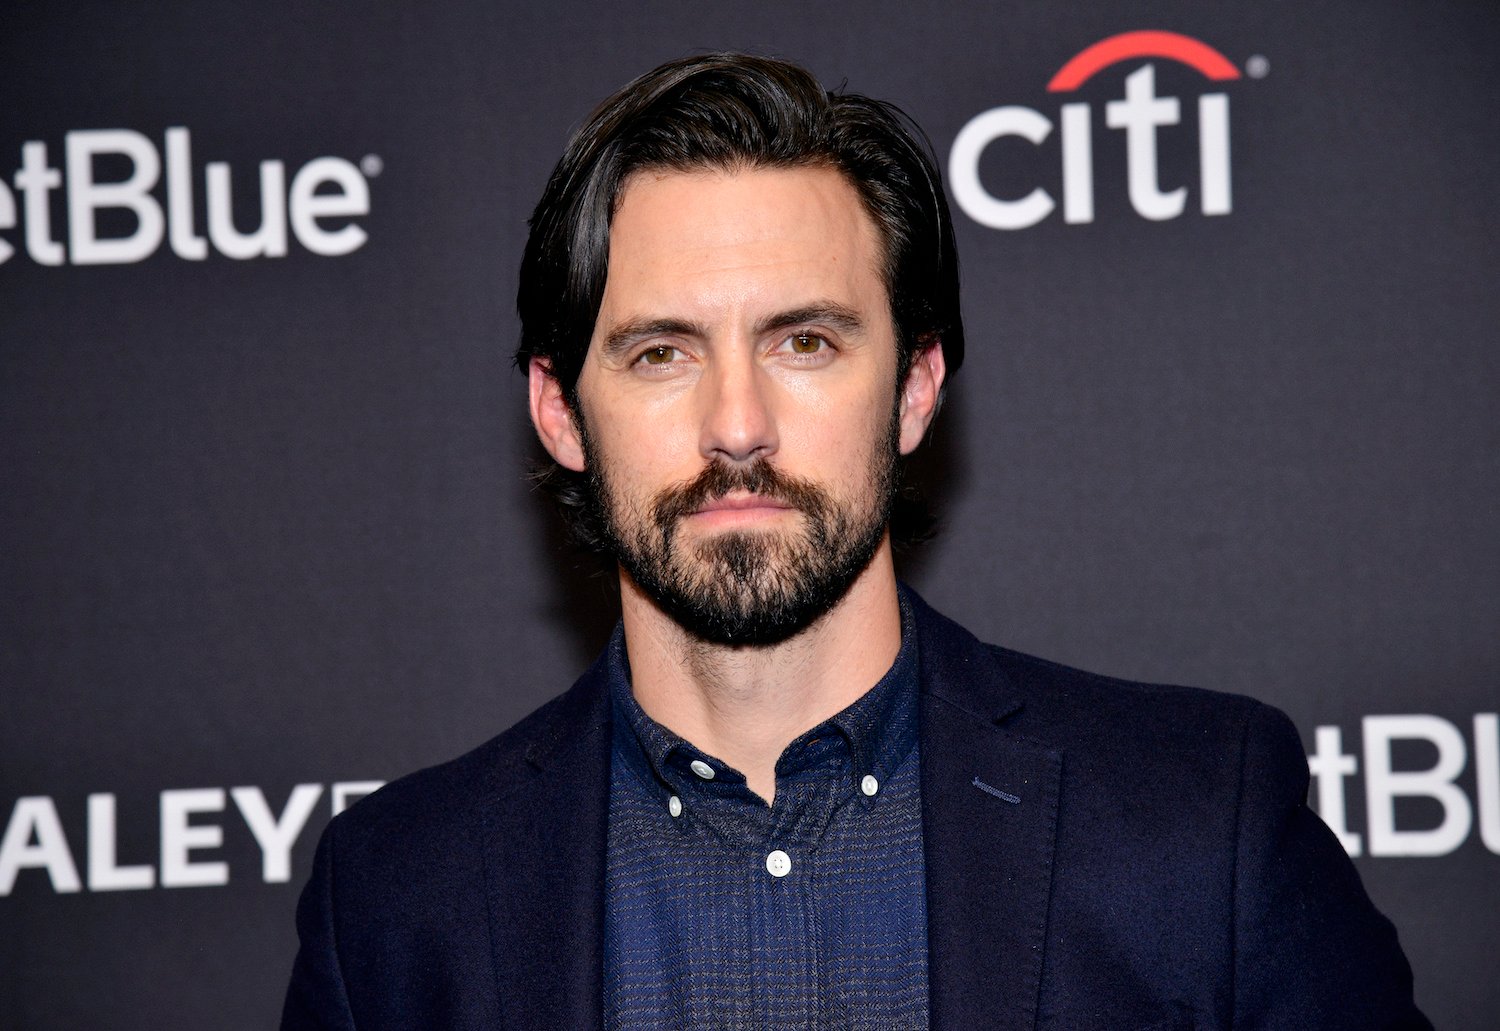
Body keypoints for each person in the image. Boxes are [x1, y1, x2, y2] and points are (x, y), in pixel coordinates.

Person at [281, 53, 1429, 1030]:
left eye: (806, 341)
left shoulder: (1199, 824)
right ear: (559, 411)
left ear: (917, 386)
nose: (738, 424)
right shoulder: (393, 901)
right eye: (660, 353)